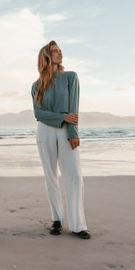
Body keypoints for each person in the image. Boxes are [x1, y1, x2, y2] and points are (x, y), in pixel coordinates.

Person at [31, 40, 90, 239]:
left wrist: (73, 131)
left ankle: (78, 225)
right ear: (46, 56)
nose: (59, 54)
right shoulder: (36, 85)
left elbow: (73, 108)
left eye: (60, 51)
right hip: (45, 131)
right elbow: (38, 113)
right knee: (51, 177)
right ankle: (57, 219)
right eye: (55, 51)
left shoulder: (70, 77)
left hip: (66, 130)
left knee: (74, 176)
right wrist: (62, 116)